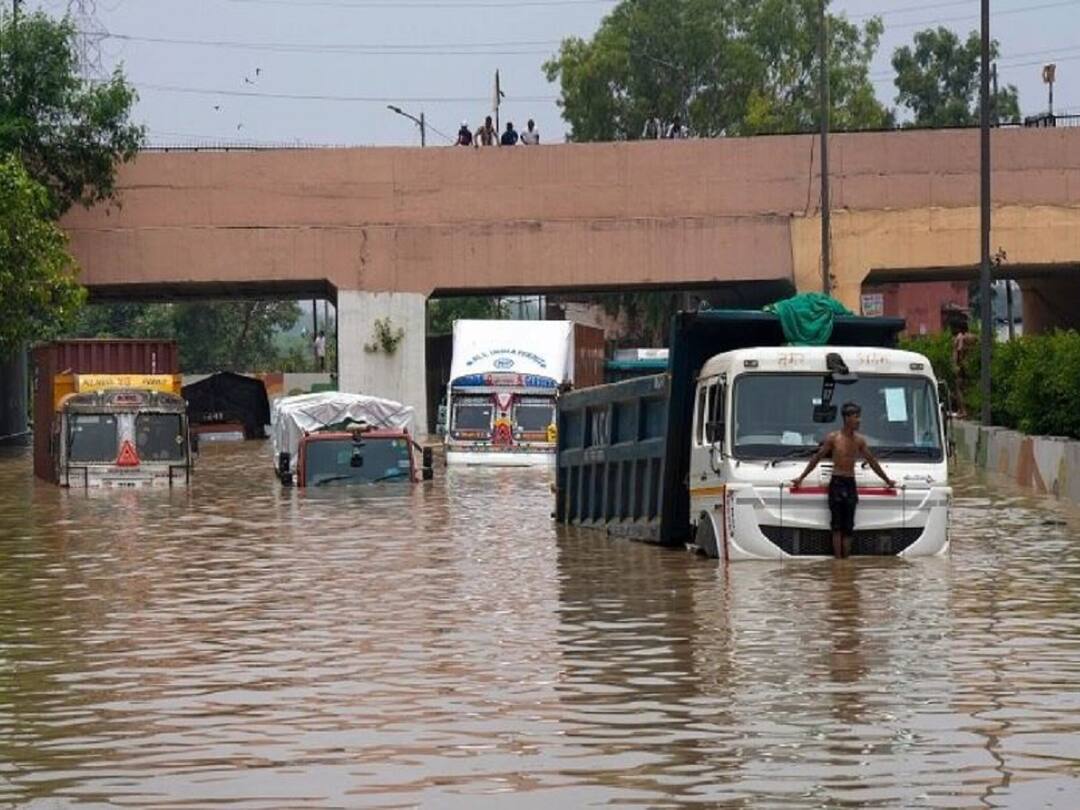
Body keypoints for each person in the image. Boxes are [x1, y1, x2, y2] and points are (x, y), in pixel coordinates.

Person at [791, 402, 897, 559]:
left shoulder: (859, 441)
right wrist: (801, 478)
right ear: (847, 418)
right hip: (836, 482)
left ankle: (845, 563)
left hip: (850, 482)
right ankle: (838, 563)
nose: (859, 420)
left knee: (848, 527)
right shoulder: (834, 438)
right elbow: (817, 458)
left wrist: (887, 480)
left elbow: (872, 462)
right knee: (836, 526)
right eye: (856, 417)